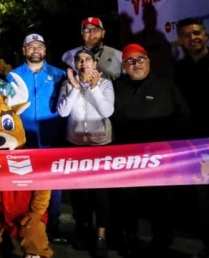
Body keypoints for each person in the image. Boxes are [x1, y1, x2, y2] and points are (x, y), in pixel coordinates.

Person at [111, 43, 191, 257]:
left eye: (140, 59)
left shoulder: (166, 86)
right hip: (127, 158)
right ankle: (129, 238)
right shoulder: (115, 87)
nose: (136, 64)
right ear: (123, 66)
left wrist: (174, 147)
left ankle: (162, 242)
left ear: (148, 61)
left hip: (161, 158)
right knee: (127, 201)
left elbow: (184, 117)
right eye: (130, 60)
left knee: (161, 202)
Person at [57, 48, 114, 257]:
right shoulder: (67, 84)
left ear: (95, 62)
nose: (83, 63)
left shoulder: (105, 84)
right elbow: (63, 112)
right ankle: (83, 229)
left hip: (100, 146)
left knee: (100, 194)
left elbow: (107, 111)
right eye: (79, 60)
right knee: (79, 193)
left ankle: (101, 235)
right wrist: (74, 88)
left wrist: (95, 88)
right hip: (76, 146)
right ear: (75, 64)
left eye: (87, 59)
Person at [11, 33, 67, 241]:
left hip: (52, 139)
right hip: (23, 141)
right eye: (31, 46)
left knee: (54, 185)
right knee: (24, 183)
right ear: (24, 50)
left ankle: (53, 225)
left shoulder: (60, 74)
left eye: (39, 46)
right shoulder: (12, 76)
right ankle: (25, 225)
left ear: (45, 50)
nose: (35, 50)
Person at [173, 17, 209, 257]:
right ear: (180, 40)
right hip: (196, 145)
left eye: (196, 33)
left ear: (205, 35)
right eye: (186, 35)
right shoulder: (180, 69)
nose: (192, 38)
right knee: (204, 198)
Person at [61, 17, 122, 81]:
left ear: (103, 33)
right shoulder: (68, 56)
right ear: (82, 33)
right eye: (86, 30)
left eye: (96, 29)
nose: (91, 33)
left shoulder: (119, 56)